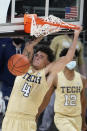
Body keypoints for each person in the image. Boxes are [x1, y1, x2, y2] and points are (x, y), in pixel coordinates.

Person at [2, 27, 81, 131]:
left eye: (42, 56)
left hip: (27, 120)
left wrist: (76, 35)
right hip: (9, 117)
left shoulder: (47, 74)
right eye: (36, 55)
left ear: (48, 63)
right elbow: (29, 46)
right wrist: (43, 34)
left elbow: (67, 59)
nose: (37, 57)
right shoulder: (23, 67)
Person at [39, 32, 87, 131]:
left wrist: (84, 76)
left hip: (72, 78)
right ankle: (43, 128)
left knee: (74, 104)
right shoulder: (58, 38)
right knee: (50, 105)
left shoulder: (79, 43)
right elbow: (49, 57)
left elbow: (81, 62)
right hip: (57, 76)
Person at [0, 37, 25, 130]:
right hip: (7, 83)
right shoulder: (4, 45)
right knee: (5, 108)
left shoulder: (25, 48)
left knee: (17, 110)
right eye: (18, 35)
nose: (20, 37)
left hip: (20, 85)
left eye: (22, 35)